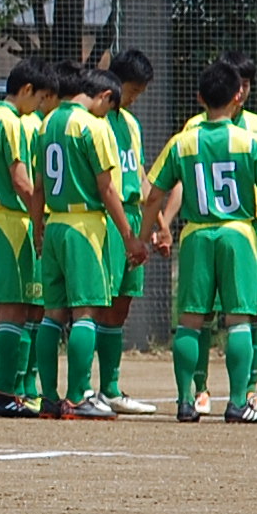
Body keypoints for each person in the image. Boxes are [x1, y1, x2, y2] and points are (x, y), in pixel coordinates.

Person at [143, 60, 257, 423]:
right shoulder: (249, 142)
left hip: (196, 234)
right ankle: (238, 402)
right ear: (238, 96)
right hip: (239, 233)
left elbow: (153, 195)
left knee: (189, 320)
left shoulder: (182, 142)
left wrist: (144, 238)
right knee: (239, 320)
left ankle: (186, 401)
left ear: (200, 97)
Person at [31, 66, 141, 419]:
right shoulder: (94, 126)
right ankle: (79, 395)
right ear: (105, 97)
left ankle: (48, 397)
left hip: (55, 223)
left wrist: (37, 227)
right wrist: (128, 235)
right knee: (86, 312)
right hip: (85, 226)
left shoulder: (46, 123)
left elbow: (37, 186)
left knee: (51, 315)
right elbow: (108, 188)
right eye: (110, 107)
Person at [0, 60, 54, 417]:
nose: (39, 106)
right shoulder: (11, 123)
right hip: (12, 222)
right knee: (15, 309)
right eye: (37, 99)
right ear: (25, 90)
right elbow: (22, 181)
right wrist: (39, 221)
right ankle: (7, 392)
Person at [92, 49, 157, 413]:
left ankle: (111, 388)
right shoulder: (97, 120)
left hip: (133, 215)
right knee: (96, 304)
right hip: (108, 218)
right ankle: (87, 389)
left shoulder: (130, 124)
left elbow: (142, 175)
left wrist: (159, 226)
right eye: (132, 91)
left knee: (121, 305)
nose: (133, 100)